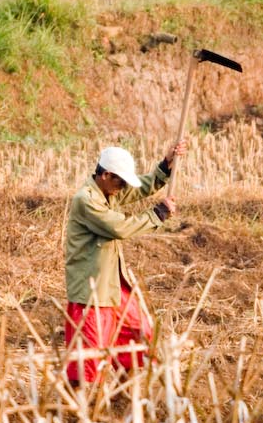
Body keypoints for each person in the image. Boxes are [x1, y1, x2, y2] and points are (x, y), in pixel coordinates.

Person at [63, 140, 187, 385]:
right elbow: (119, 227)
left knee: (142, 337)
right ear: (106, 175)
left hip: (112, 287)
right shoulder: (86, 200)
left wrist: (166, 165)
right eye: (120, 181)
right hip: (92, 293)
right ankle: (80, 412)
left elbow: (140, 187)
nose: (123, 187)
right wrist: (157, 214)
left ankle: (122, 396)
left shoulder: (109, 190)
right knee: (89, 362)